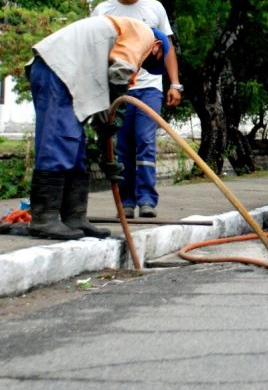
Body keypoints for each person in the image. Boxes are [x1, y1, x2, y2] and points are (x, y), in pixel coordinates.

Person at [26, 15, 170, 240]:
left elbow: (104, 116)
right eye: (147, 63)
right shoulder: (145, 34)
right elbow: (120, 72)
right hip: (57, 69)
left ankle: (75, 217)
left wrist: (107, 153)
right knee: (59, 141)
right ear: (157, 47)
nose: (141, 67)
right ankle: (45, 218)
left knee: (75, 148)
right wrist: (119, 107)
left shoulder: (116, 41)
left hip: (68, 74)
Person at [91, 0, 182, 218]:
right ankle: (127, 200)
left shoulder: (154, 8)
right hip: (118, 88)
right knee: (123, 145)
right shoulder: (104, 10)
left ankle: (146, 199)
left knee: (145, 141)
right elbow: (94, 47)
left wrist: (174, 83)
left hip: (148, 87)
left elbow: (168, 47)